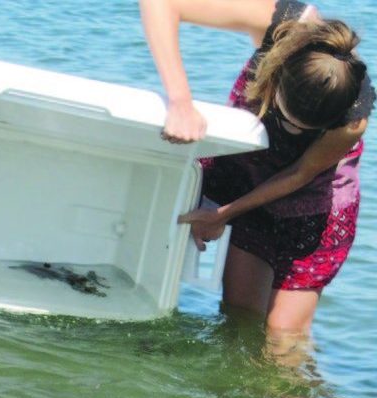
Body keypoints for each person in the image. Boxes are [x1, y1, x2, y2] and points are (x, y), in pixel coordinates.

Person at [139, 0, 373, 335]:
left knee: (283, 336)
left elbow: (300, 173)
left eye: (306, 130)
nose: (293, 132)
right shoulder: (281, 23)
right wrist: (180, 101)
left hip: (315, 206)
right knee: (240, 323)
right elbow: (161, 4)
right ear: (278, 75)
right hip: (248, 182)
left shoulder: (353, 117)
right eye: (286, 120)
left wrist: (224, 214)